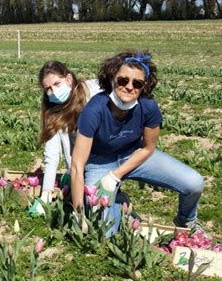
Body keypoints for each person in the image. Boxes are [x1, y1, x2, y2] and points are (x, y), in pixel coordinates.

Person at [70, 50, 205, 235]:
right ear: (112, 79)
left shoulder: (148, 106)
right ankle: (119, 202)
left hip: (133, 156)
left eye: (137, 83)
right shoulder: (94, 110)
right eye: (123, 80)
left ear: (144, 87)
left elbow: (148, 148)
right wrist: (79, 214)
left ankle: (186, 220)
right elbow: (77, 165)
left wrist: (115, 176)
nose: (129, 87)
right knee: (104, 232)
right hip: (99, 162)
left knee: (194, 183)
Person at [28, 61, 101, 216]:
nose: (53, 91)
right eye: (48, 89)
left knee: (96, 207)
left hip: (102, 159)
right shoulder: (53, 110)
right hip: (78, 165)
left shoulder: (93, 92)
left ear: (68, 79)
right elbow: (52, 154)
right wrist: (46, 193)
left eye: (57, 83)